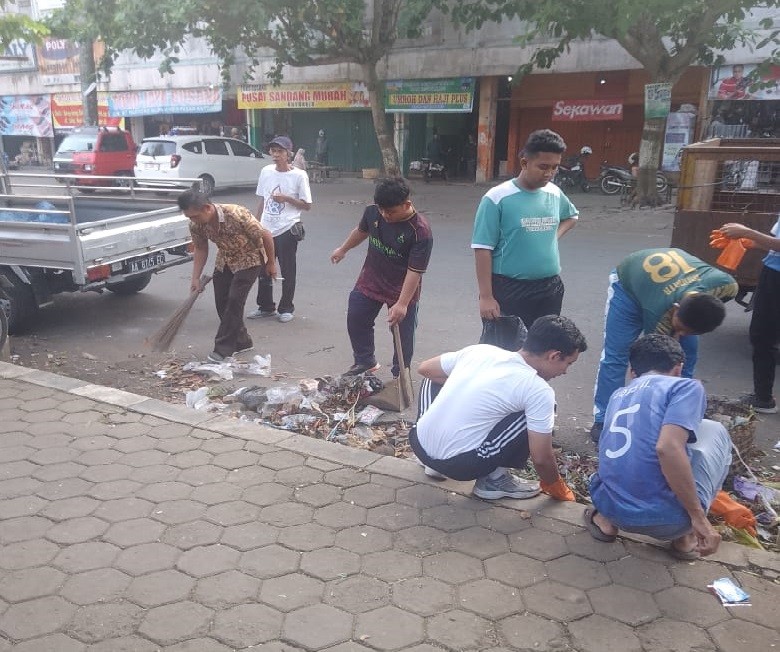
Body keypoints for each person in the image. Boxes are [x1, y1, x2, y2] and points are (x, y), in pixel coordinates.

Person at [409, 315, 587, 501]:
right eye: (568, 364)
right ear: (554, 356)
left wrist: (467, 386)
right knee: (536, 410)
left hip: (418, 443)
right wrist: (556, 486)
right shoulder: (537, 390)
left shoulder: (481, 351)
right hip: (461, 465)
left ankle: (433, 461)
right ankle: (495, 479)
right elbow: (541, 458)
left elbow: (425, 368)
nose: (565, 371)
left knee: (434, 379)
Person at [587, 334, 732, 560]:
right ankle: (685, 539)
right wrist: (698, 518)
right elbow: (667, 448)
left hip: (609, 506)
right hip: (671, 522)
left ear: (632, 372)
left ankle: (604, 522)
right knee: (714, 431)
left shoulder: (618, 394)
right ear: (678, 368)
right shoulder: (686, 387)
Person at [591, 248, 738, 443]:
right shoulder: (658, 314)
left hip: (671, 285)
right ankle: (604, 419)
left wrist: (679, 335)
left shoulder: (726, 286)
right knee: (616, 356)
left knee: (688, 355)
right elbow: (651, 370)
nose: (682, 335)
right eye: (680, 328)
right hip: (628, 287)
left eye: (691, 332)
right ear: (675, 310)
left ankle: (679, 414)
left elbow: (684, 337)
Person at [472, 129, 578, 331]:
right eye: (543, 167)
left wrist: (552, 237)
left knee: (543, 350)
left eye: (555, 167)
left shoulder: (554, 193)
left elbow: (572, 217)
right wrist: (486, 297)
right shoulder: (496, 198)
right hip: (510, 289)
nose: (549, 173)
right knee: (507, 352)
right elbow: (482, 248)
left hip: (550, 288)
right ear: (524, 163)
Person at [331, 177, 433, 377]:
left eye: (391, 211)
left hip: (402, 287)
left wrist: (402, 304)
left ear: (407, 204)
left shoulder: (420, 231)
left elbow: (415, 271)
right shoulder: (372, 211)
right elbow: (362, 231)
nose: (385, 215)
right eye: (382, 210)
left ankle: (400, 373)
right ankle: (365, 360)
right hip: (372, 277)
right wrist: (343, 249)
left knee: (403, 335)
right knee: (356, 315)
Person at [178, 190, 276, 363]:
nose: (192, 220)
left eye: (194, 216)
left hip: (250, 257)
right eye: (189, 217)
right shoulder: (196, 225)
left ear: (207, 208)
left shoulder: (236, 213)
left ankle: (222, 349)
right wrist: (195, 278)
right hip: (225, 259)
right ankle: (242, 341)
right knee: (222, 301)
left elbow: (266, 235)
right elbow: (201, 248)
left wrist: (270, 264)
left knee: (234, 300)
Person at [248, 136, 312, 324]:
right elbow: (262, 200)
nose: (276, 155)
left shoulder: (299, 175)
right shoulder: (266, 171)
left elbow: (307, 205)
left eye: (280, 152)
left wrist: (286, 199)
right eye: (273, 151)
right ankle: (266, 306)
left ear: (288, 154)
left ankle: (286, 307)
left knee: (287, 270)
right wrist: (256, 225)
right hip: (266, 228)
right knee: (263, 269)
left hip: (287, 227)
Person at [719, 218, 780, 413]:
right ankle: (763, 397)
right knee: (763, 336)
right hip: (773, 273)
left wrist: (747, 232)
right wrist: (751, 243)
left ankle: (763, 398)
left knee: (763, 335)